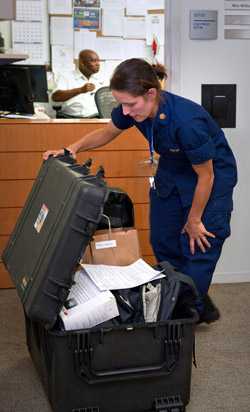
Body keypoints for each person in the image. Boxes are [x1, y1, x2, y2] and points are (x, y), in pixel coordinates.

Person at [44, 58, 237, 324]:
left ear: (151, 94)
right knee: (163, 241)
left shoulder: (187, 121)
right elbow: (108, 131)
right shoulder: (135, 108)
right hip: (173, 169)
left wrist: (194, 220)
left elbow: (207, 175)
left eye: (130, 104)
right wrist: (72, 149)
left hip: (210, 180)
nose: (125, 111)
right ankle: (194, 299)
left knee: (196, 246)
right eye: (120, 103)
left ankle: (183, 315)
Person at [51, 49, 104, 118]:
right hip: (72, 119)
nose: (97, 64)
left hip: (97, 118)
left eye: (98, 61)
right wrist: (80, 90)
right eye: (93, 61)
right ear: (82, 63)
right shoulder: (66, 77)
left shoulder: (101, 78)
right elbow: (55, 97)